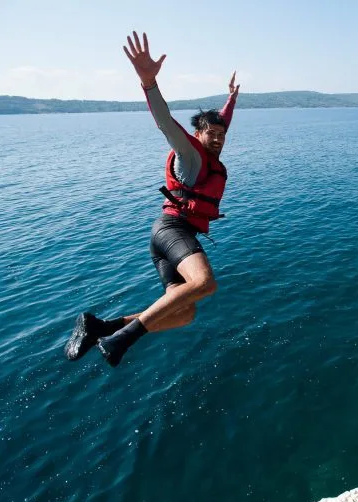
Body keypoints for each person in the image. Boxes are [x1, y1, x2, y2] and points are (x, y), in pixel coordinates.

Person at [64, 32, 240, 367]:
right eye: (211, 134)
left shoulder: (209, 145)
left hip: (167, 239)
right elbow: (165, 122)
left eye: (222, 135)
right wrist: (149, 83)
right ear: (198, 135)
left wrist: (230, 100)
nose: (217, 139)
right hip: (173, 231)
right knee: (204, 283)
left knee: (183, 313)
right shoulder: (190, 153)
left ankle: (102, 327)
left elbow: (220, 123)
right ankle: (119, 341)